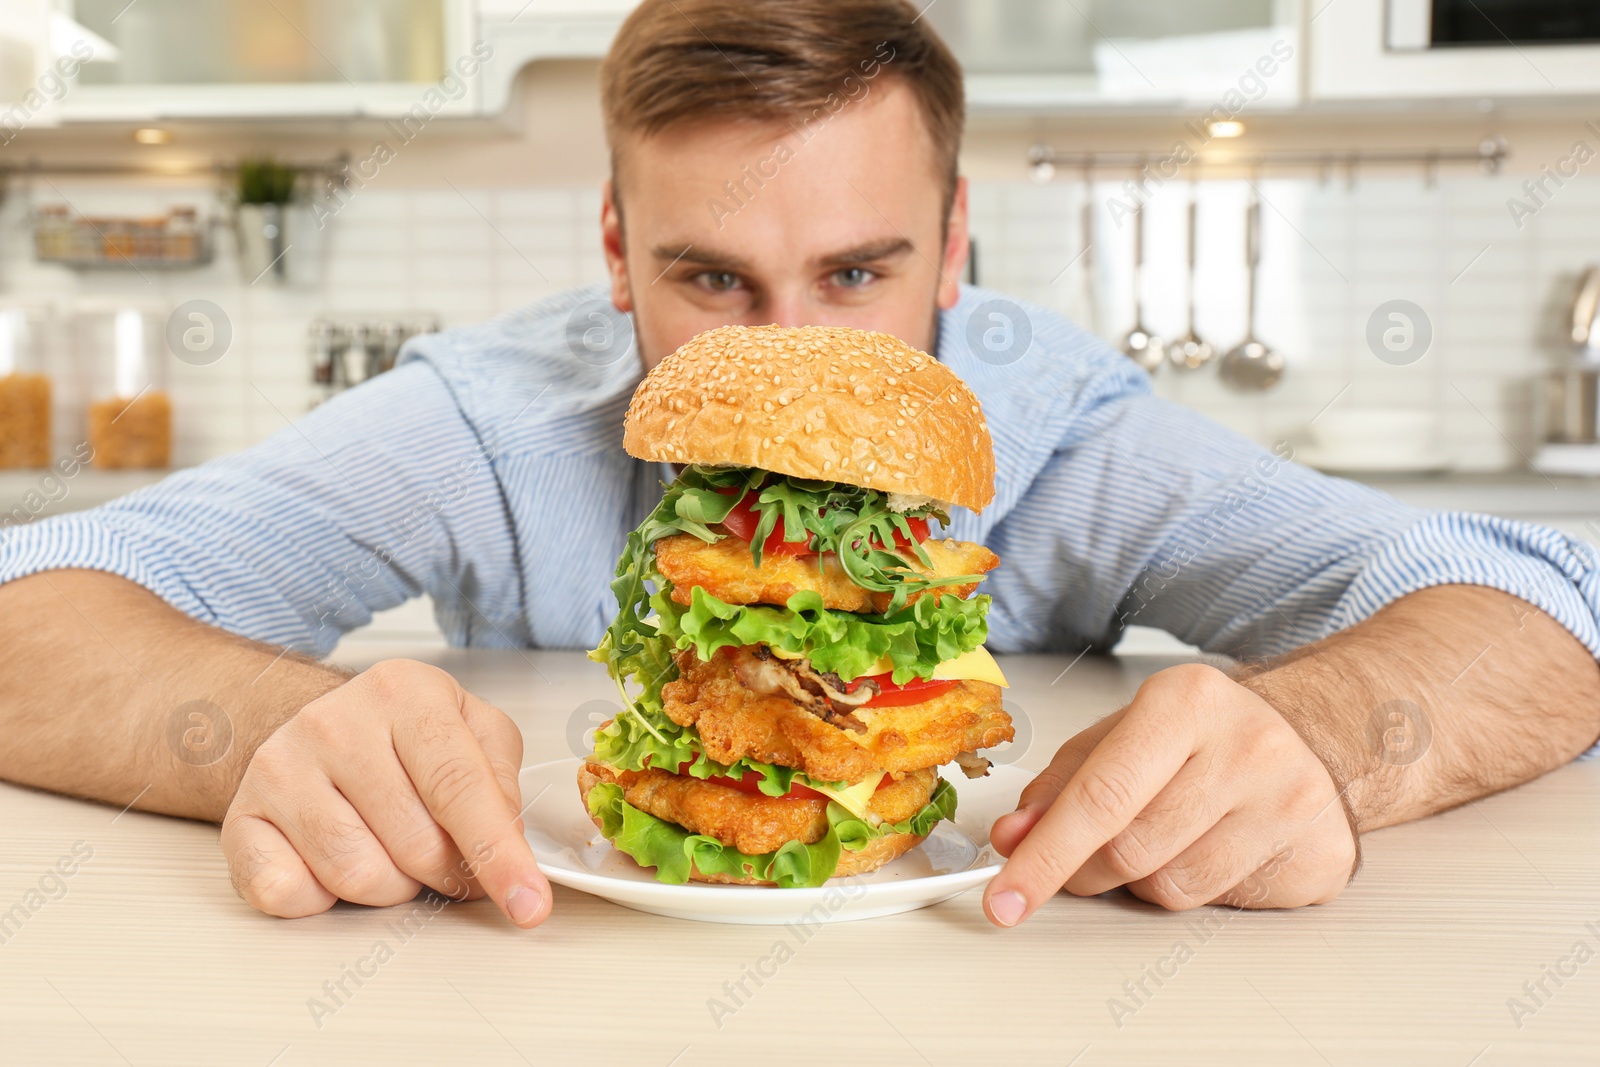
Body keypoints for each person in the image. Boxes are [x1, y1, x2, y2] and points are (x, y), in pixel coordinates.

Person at [1, 0, 1596, 932]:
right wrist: (289, 730)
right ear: (615, 254)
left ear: (956, 244)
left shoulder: (1059, 427)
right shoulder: (496, 418)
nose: (789, 364)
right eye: (712, 281)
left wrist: (1314, 738)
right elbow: (35, 608)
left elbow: (1541, 602)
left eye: (854, 276)